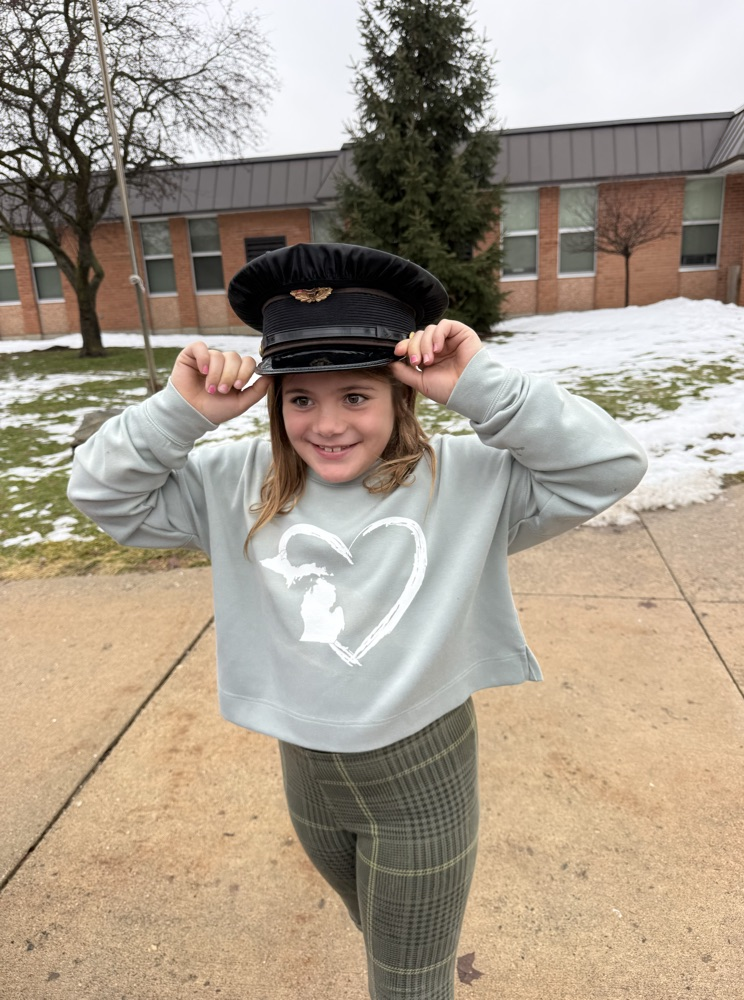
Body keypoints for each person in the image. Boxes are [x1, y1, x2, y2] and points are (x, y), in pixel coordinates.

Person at [68, 242, 647, 1000]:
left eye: (356, 395)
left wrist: (484, 388)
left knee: (408, 984)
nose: (328, 424)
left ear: (400, 394)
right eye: (301, 397)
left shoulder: (468, 480)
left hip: (422, 782)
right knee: (386, 939)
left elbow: (610, 464)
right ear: (274, 402)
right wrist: (182, 413)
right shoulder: (234, 482)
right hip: (308, 779)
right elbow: (101, 494)